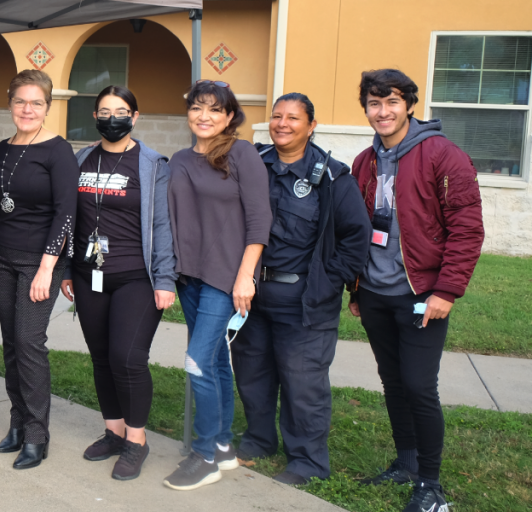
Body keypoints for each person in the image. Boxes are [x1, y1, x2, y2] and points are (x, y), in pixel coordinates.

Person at [349, 69, 483, 512]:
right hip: (375, 293)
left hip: (422, 293)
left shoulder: (443, 156)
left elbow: (467, 229)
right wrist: (356, 289)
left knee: (420, 385)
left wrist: (446, 291)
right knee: (393, 382)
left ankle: (431, 484)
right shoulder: (365, 162)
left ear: (409, 104)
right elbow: (358, 230)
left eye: (390, 102)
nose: (381, 112)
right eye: (373, 103)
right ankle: (405, 464)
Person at [230, 92, 371, 486]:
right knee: (253, 374)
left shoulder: (333, 177)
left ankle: (307, 460)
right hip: (252, 295)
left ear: (311, 126)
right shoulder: (253, 165)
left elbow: (355, 238)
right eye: (276, 116)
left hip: (305, 302)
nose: (282, 124)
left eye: (293, 118)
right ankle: (259, 439)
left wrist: (326, 282)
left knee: (302, 382)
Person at [59, 85, 177, 480]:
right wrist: (66, 270)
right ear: (94, 117)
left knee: (128, 358)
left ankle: (136, 440)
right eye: (105, 112)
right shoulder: (81, 160)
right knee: (101, 357)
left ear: (135, 116)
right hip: (89, 275)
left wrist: (165, 279)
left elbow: (162, 226)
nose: (114, 119)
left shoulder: (153, 164)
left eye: (122, 111)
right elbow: (67, 218)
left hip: (135, 277)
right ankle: (112, 431)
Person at [161, 80, 272, 491]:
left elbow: (260, 220)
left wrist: (246, 276)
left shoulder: (242, 154)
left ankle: (204, 454)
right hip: (190, 275)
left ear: (229, 117)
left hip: (226, 277)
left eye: (214, 109)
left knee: (196, 360)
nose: (203, 116)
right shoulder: (178, 158)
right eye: (197, 107)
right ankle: (223, 445)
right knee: (216, 361)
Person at [0, 69, 78, 470]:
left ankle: (38, 434)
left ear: (48, 107)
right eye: (21, 101)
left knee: (29, 343)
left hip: (40, 261)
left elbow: (66, 213)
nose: (27, 109)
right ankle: (18, 422)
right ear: (10, 103)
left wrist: (47, 268)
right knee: (10, 344)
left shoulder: (58, 151)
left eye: (36, 103)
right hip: (3, 258)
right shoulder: (3, 148)